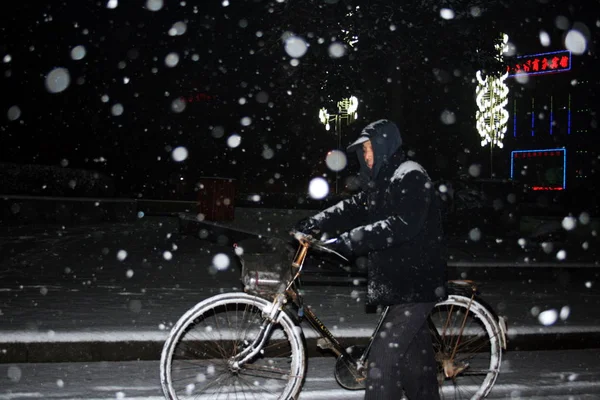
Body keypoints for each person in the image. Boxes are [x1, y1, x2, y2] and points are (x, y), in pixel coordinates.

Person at [295, 119, 447, 399]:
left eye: (368, 148)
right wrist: (314, 222)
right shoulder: (382, 182)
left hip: (417, 281)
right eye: (363, 150)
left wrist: (351, 241)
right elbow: (351, 207)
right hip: (400, 282)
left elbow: (402, 225)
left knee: (382, 360)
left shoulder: (411, 175)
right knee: (416, 362)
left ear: (384, 144)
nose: (365, 156)